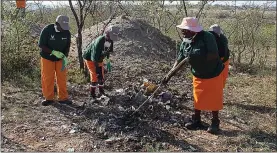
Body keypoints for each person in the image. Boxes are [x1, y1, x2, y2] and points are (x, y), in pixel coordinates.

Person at [162, 17, 225, 134]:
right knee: (198, 98)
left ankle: (215, 122)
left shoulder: (207, 37)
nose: (183, 31)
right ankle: (197, 120)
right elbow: (180, 58)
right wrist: (169, 74)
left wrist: (197, 57)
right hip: (198, 74)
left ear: (193, 30)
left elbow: (213, 55)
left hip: (213, 73)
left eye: (185, 29)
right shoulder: (186, 41)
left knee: (214, 98)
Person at [38, 15, 71, 106]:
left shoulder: (67, 32)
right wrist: (53, 52)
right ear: (56, 24)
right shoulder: (47, 30)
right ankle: (49, 98)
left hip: (60, 58)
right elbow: (41, 45)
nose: (64, 29)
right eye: (62, 27)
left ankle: (63, 98)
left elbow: (67, 45)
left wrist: (65, 57)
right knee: (47, 78)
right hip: (47, 58)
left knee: (62, 78)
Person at [83, 25, 120, 98]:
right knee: (95, 75)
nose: (111, 39)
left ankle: (101, 91)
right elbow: (94, 57)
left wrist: (108, 62)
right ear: (107, 33)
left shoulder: (110, 41)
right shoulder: (99, 41)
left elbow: (107, 52)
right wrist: (98, 70)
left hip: (99, 58)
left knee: (101, 75)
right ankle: (92, 94)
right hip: (90, 58)